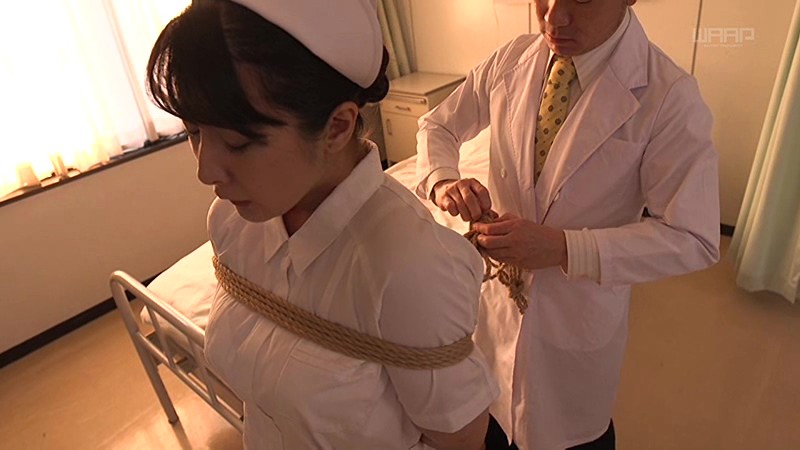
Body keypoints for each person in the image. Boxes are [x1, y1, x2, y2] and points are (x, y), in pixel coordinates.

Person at [145, 1, 500, 449]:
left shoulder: (408, 268)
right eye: (193, 132)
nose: (205, 171)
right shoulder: (231, 223)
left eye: (237, 143)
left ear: (337, 127)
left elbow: (461, 439)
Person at [415, 1, 721, 449]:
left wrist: (563, 248)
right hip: (496, 307)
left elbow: (693, 237)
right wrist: (444, 181)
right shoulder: (512, 58)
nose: (554, 17)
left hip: (576, 314)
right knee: (493, 420)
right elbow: (437, 126)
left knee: (569, 432)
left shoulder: (668, 95)